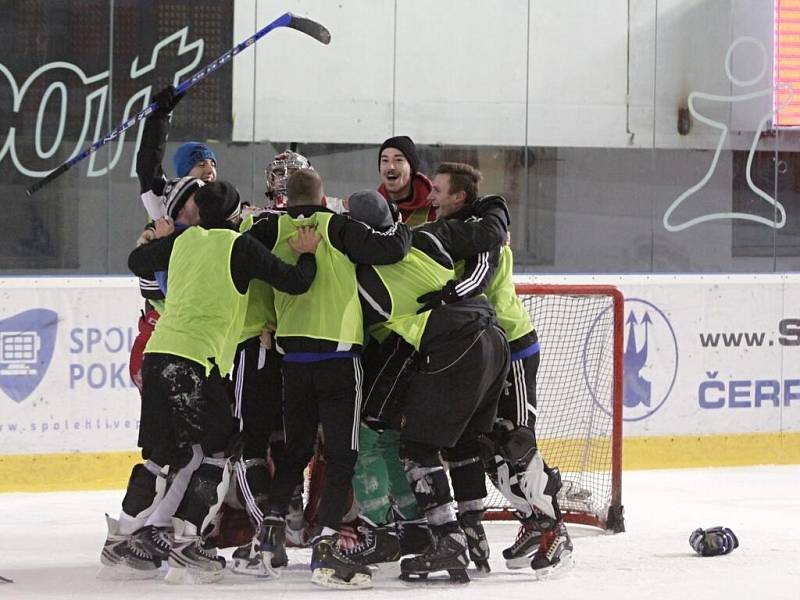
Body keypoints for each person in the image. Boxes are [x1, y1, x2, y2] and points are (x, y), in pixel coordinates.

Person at [102, 181, 320, 584]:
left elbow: (137, 261)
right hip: (195, 361)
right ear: (236, 214)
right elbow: (295, 282)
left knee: (162, 454)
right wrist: (307, 257)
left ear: (197, 213)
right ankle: (189, 543)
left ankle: (123, 539)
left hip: (159, 355)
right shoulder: (239, 245)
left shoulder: (183, 243)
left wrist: (155, 236)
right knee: (220, 450)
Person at [251, 169, 412, 589]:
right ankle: (326, 544)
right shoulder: (338, 228)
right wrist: (392, 219)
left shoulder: (271, 228)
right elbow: (394, 249)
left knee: (296, 449)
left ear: (285, 201)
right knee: (343, 454)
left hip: (293, 358)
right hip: (339, 357)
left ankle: (269, 534)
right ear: (324, 200)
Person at [349, 189, 511, 583]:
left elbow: (364, 338)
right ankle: (472, 530)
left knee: (418, 446)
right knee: (463, 442)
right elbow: (489, 238)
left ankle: (446, 537)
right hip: (494, 337)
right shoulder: (429, 236)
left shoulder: (366, 279)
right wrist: (491, 204)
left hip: (455, 344)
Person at [426, 162, 574, 577]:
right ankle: (533, 520)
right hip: (483, 351)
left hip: (512, 346)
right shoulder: (457, 229)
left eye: (438, 190)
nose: (431, 196)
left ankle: (555, 529)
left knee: (516, 440)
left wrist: (439, 299)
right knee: (489, 445)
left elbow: (476, 280)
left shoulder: (481, 230)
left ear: (459, 196)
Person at [377, 136, 436, 226]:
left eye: (398, 160)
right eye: (385, 160)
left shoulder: (436, 207)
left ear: (411, 168)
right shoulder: (373, 207)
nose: (390, 167)